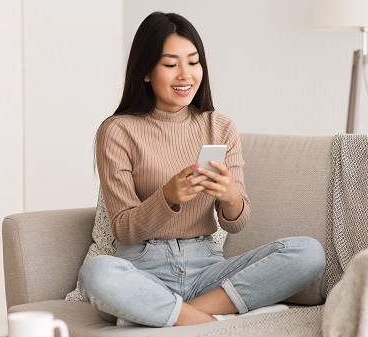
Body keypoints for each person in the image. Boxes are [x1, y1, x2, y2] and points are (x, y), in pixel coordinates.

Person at [78, 11, 325, 328]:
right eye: (171, 65)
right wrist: (167, 196)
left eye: (193, 62)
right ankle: (214, 322)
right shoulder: (117, 131)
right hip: (142, 269)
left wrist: (231, 197)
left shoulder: (220, 127)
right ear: (146, 72)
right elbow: (124, 229)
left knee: (308, 253)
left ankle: (169, 315)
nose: (186, 75)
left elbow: (237, 224)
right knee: (97, 274)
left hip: (207, 268)